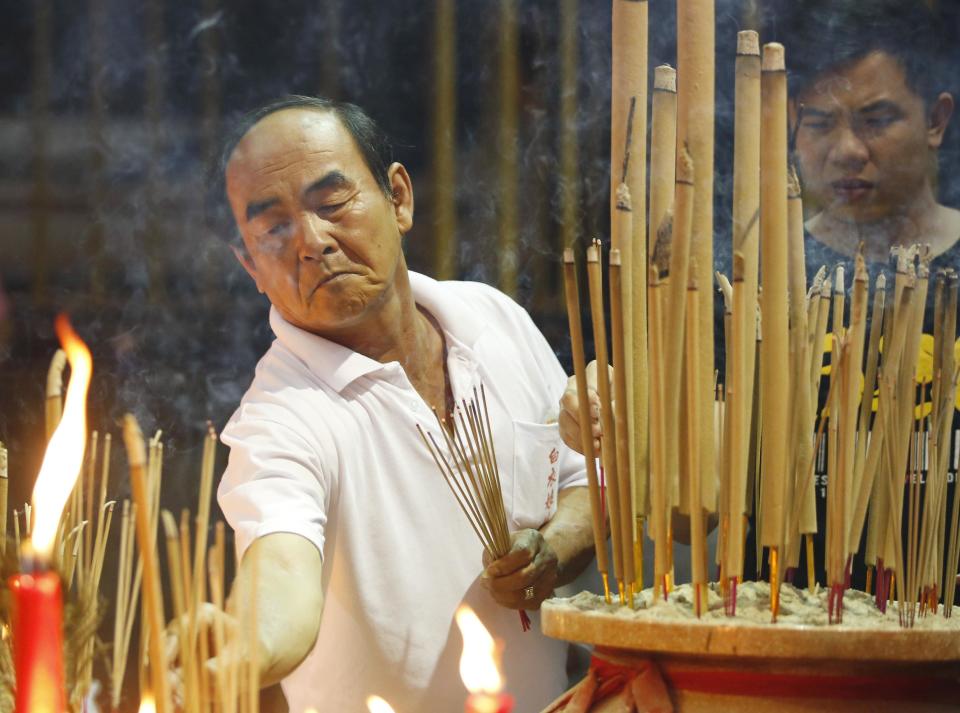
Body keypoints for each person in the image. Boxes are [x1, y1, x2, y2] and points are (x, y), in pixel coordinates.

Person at [205, 95, 597, 712]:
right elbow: (281, 574)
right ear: (250, 264)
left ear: (399, 197)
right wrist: (239, 652)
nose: (311, 242)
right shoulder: (278, 420)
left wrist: (555, 551)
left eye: (331, 203)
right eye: (272, 228)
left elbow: (586, 482)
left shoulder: (491, 318)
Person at [784, 0, 959, 267]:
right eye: (819, 124)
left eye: (876, 121)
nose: (846, 152)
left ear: (935, 120)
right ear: (793, 121)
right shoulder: (771, 272)